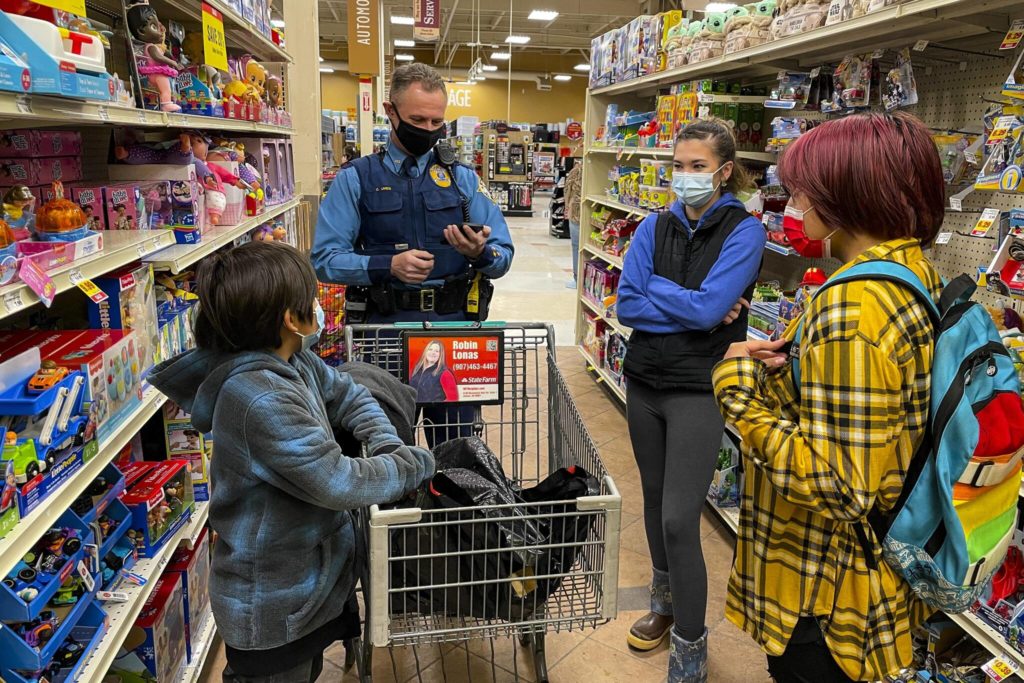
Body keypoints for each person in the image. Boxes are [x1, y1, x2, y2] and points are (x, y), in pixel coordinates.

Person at [712, 112, 946, 682]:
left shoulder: (854, 310)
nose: (792, 206)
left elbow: (839, 486)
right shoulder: (912, 273)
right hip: (872, 579)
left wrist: (736, 390)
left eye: (799, 192)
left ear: (846, 196)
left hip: (825, 597)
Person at [147, 241, 435, 683]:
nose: (317, 307)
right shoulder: (259, 397)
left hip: (306, 586)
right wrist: (412, 464)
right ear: (289, 319)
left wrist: (384, 440)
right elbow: (338, 481)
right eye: (311, 299)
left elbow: (348, 394)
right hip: (271, 606)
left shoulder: (294, 359)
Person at [616, 118, 766, 683]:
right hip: (643, 384)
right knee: (655, 503)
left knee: (680, 518)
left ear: (724, 172)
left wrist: (662, 291)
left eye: (697, 166)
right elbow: (628, 304)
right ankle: (663, 603)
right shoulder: (653, 226)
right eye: (678, 166)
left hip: (699, 390)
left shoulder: (745, 232)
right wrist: (694, 305)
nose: (685, 176)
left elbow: (708, 312)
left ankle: (690, 642)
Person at [312, 62, 514, 444]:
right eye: (417, 120)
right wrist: (387, 265)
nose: (428, 130)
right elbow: (324, 259)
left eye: (437, 121)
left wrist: (481, 253)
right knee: (386, 449)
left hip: (454, 330)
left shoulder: (463, 178)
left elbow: (503, 254)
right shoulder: (356, 179)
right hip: (384, 335)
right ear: (390, 111)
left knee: (457, 449)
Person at [563, 159, 583, 288]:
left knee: (576, 246)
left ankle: (577, 279)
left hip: (576, 211)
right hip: (591, 211)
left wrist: (567, 206)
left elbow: (567, 190)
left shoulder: (576, 170)